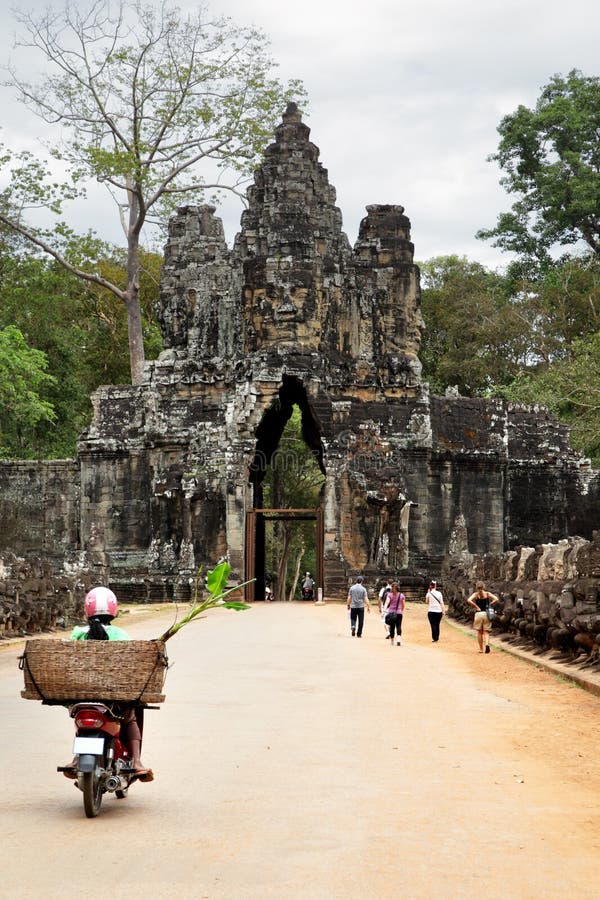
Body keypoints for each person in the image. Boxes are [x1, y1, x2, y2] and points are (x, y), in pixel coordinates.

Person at [63, 586, 153, 781]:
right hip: (113, 697)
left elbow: (67, 657)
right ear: (113, 610)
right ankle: (136, 761)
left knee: (80, 716)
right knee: (129, 718)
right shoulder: (120, 634)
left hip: (83, 694)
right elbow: (131, 661)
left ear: (87, 610)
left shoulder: (78, 633)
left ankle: (77, 758)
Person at [466, 581, 500, 653]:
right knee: (486, 632)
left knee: (479, 632)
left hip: (478, 614)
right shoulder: (487, 594)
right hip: (486, 614)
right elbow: (496, 599)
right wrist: (491, 603)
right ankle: (487, 645)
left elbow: (468, 600)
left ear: (476, 587)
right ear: (483, 587)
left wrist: (476, 606)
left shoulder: (475, 594)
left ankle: (481, 649)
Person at [383, 582, 405, 646]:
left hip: (391, 613)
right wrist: (401, 610)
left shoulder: (389, 595)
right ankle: (398, 640)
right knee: (399, 626)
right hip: (399, 613)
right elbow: (403, 605)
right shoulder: (401, 595)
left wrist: (384, 611)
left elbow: (387, 603)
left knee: (392, 627)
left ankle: (392, 641)